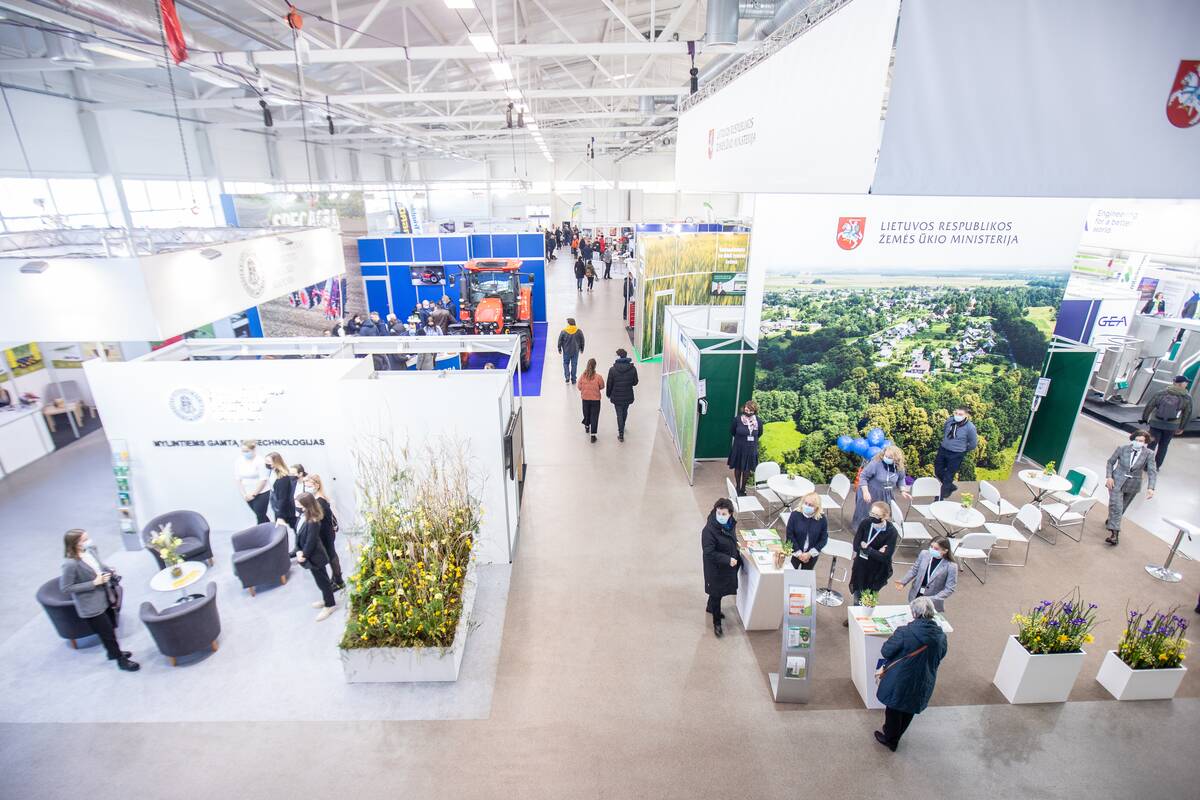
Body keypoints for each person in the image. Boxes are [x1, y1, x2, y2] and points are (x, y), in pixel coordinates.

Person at [873, 596, 947, 752]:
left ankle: (891, 740)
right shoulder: (941, 636)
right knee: (909, 708)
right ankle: (897, 734)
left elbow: (886, 651)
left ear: (914, 614)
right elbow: (941, 655)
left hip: (901, 679)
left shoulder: (905, 632)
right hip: (924, 679)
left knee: (893, 709)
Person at [59, 529, 139, 671]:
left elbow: (99, 566)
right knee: (107, 633)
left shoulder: (90, 551)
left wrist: (108, 571)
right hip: (91, 605)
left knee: (111, 628)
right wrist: (94, 583)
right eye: (84, 540)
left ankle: (114, 652)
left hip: (105, 596)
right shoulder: (70, 564)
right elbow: (66, 588)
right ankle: (121, 661)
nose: (88, 541)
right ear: (75, 543)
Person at [1103, 429, 1157, 546]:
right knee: (1116, 506)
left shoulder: (1149, 454)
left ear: (1145, 442)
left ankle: (1112, 520)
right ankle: (1114, 535)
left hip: (1133, 485)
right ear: (1133, 439)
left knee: (1122, 508)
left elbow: (1152, 471)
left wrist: (1151, 488)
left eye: (1141, 441)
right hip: (1116, 481)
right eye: (1137, 440)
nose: (1138, 442)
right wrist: (1109, 477)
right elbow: (1110, 462)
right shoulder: (1122, 449)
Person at [847, 501, 898, 622]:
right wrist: (877, 552)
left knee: (869, 597)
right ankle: (854, 618)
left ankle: (864, 620)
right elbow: (856, 545)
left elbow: (885, 557)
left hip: (877, 570)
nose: (872, 517)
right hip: (861, 565)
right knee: (858, 593)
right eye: (871, 513)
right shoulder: (866, 523)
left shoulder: (891, 532)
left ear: (885, 517)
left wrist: (868, 549)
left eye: (876, 515)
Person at [701, 498, 742, 638]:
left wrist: (737, 544)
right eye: (718, 513)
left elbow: (731, 538)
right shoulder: (709, 530)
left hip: (727, 565)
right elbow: (709, 552)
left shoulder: (730, 524)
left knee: (716, 592)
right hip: (715, 568)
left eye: (724, 514)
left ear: (730, 514)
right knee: (716, 593)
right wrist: (727, 559)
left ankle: (709, 607)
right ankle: (717, 623)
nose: (720, 516)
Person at [295, 493, 337, 620]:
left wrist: (304, 555)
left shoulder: (313, 521)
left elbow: (311, 541)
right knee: (320, 581)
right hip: (308, 555)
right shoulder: (303, 516)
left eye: (298, 502)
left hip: (316, 556)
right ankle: (326, 599)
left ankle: (330, 605)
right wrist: (298, 550)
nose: (296, 503)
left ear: (306, 504)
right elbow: (299, 535)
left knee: (323, 581)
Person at [852, 445, 911, 530]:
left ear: (896, 458)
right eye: (885, 456)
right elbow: (863, 477)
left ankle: (877, 531)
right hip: (870, 492)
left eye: (890, 457)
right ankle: (860, 530)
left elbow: (901, 479)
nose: (886, 458)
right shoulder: (876, 463)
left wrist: (903, 491)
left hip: (887, 494)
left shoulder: (899, 467)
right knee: (866, 513)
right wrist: (865, 492)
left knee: (882, 514)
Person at [1140, 376, 1193, 469]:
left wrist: (1145, 418)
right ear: (1181, 384)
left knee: (1151, 444)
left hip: (1156, 423)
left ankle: (1145, 465)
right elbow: (1187, 413)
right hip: (1172, 426)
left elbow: (1150, 406)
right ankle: (1156, 466)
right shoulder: (1187, 397)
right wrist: (1182, 427)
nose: (1187, 384)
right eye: (1186, 382)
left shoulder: (1161, 393)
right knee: (1163, 446)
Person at [301, 474, 343, 590]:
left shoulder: (320, 501)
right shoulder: (316, 498)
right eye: (305, 486)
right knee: (331, 554)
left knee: (331, 555)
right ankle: (336, 578)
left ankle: (338, 580)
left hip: (326, 532)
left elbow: (322, 518)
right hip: (325, 531)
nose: (307, 488)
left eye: (309, 486)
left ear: (317, 485)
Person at [895, 536, 957, 611]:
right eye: (931, 546)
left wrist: (930, 599)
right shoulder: (924, 554)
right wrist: (903, 582)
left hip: (932, 601)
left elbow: (949, 589)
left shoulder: (951, 566)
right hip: (916, 593)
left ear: (945, 551)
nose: (932, 550)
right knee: (912, 613)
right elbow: (914, 569)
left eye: (936, 549)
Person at [934, 407, 977, 500]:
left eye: (960, 414)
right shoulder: (950, 421)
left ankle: (940, 498)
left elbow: (973, 444)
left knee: (948, 476)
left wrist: (962, 449)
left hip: (956, 454)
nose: (957, 416)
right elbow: (945, 431)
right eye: (956, 413)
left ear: (966, 415)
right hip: (943, 449)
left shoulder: (970, 427)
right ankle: (950, 486)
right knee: (938, 471)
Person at [727, 400, 762, 495]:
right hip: (739, 448)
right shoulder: (737, 419)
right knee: (738, 468)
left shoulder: (758, 421)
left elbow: (759, 433)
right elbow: (733, 431)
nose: (748, 412)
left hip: (751, 449)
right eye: (747, 410)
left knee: (747, 469)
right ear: (744, 408)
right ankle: (737, 487)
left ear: (754, 411)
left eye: (751, 411)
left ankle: (743, 488)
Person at [786, 492, 828, 571]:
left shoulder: (822, 519)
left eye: (810, 505)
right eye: (805, 503)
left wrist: (810, 554)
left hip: (810, 556)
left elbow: (823, 539)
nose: (807, 506)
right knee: (790, 574)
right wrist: (799, 553)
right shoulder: (795, 515)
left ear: (816, 507)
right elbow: (790, 535)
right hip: (794, 552)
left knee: (805, 576)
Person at [606, 348, 639, 442]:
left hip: (616, 396)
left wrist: (608, 394)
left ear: (619, 357)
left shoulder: (612, 370)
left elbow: (609, 384)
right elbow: (635, 382)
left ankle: (621, 434)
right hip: (628, 395)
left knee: (619, 414)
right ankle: (622, 426)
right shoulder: (632, 369)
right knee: (624, 411)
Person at [235, 440, 271, 524]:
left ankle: (262, 531)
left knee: (260, 516)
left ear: (253, 450)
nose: (245, 453)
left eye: (247, 451)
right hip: (247, 493)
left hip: (261, 492)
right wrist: (244, 494)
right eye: (243, 451)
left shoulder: (260, 461)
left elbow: (263, 480)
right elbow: (238, 479)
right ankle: (269, 528)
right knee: (260, 515)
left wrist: (254, 494)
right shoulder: (239, 461)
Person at [265, 452, 298, 532]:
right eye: (266, 461)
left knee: (296, 529)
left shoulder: (282, 478)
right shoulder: (272, 472)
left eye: (268, 461)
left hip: (285, 509)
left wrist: (280, 516)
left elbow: (282, 497)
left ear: (276, 462)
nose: (266, 463)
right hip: (278, 507)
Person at [577, 357, 605, 443]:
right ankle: (593, 435)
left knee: (586, 413)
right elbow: (602, 386)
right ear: (595, 366)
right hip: (595, 400)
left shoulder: (583, 376)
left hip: (585, 399)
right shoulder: (598, 377)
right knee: (594, 416)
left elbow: (579, 387)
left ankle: (587, 426)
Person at [557, 318, 585, 384]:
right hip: (575, 351)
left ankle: (567, 377)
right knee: (574, 365)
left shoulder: (563, 331)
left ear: (569, 323)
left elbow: (560, 341)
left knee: (566, 364)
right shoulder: (579, 331)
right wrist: (582, 348)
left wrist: (559, 348)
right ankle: (573, 379)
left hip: (566, 351)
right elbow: (582, 340)